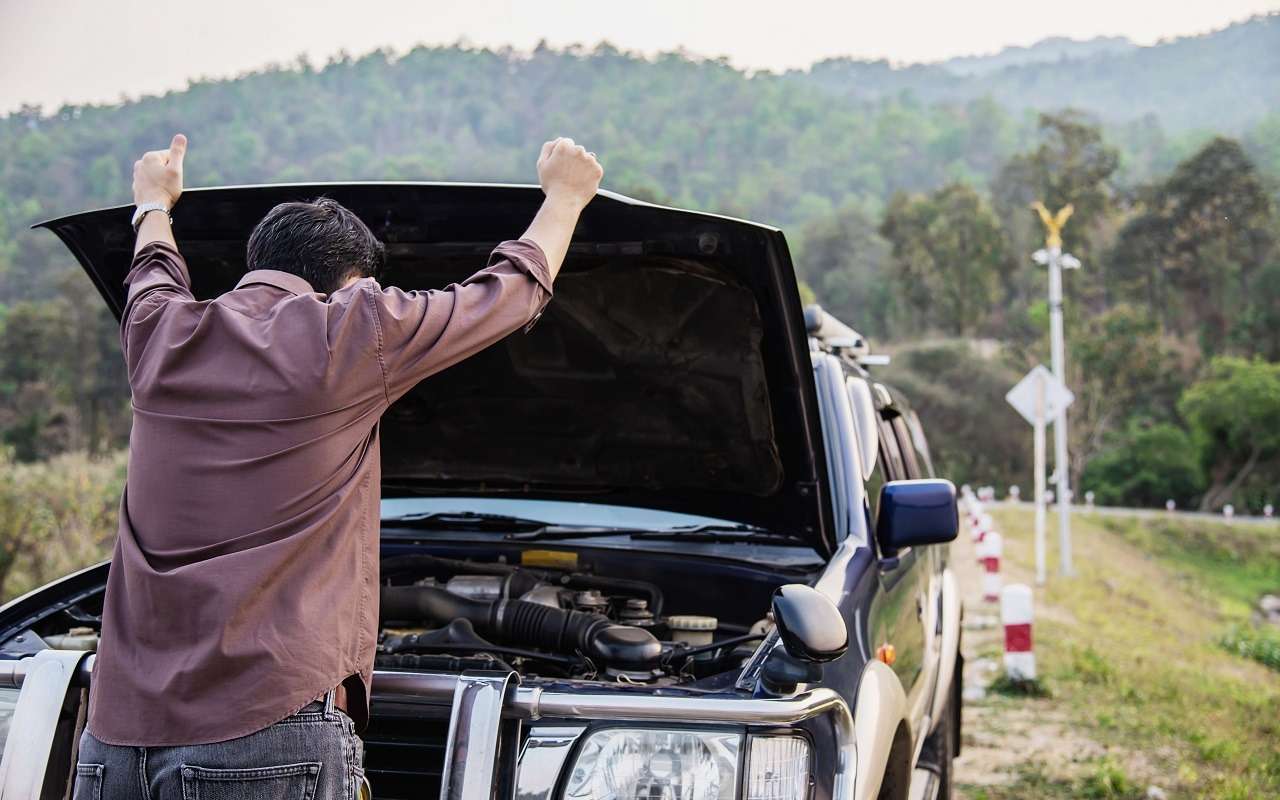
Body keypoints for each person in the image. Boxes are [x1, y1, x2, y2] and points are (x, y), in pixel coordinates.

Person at [72, 134, 603, 800]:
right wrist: (566, 193)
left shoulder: (156, 330)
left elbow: (154, 264)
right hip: (265, 727)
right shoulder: (351, 328)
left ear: (256, 261)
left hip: (113, 743)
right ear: (354, 281)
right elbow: (509, 293)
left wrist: (153, 199)